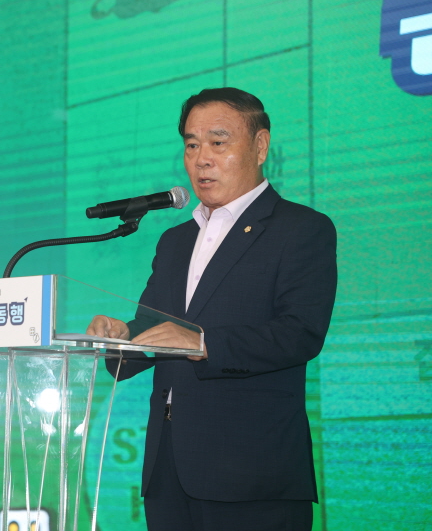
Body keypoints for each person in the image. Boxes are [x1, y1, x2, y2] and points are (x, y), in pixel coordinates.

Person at [87, 87, 337, 531]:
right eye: (191, 145)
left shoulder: (301, 229)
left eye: (218, 143)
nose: (202, 159)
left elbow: (301, 332)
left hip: (252, 473)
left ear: (260, 146)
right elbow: (155, 327)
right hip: (168, 471)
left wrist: (203, 343)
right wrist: (122, 336)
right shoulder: (175, 241)